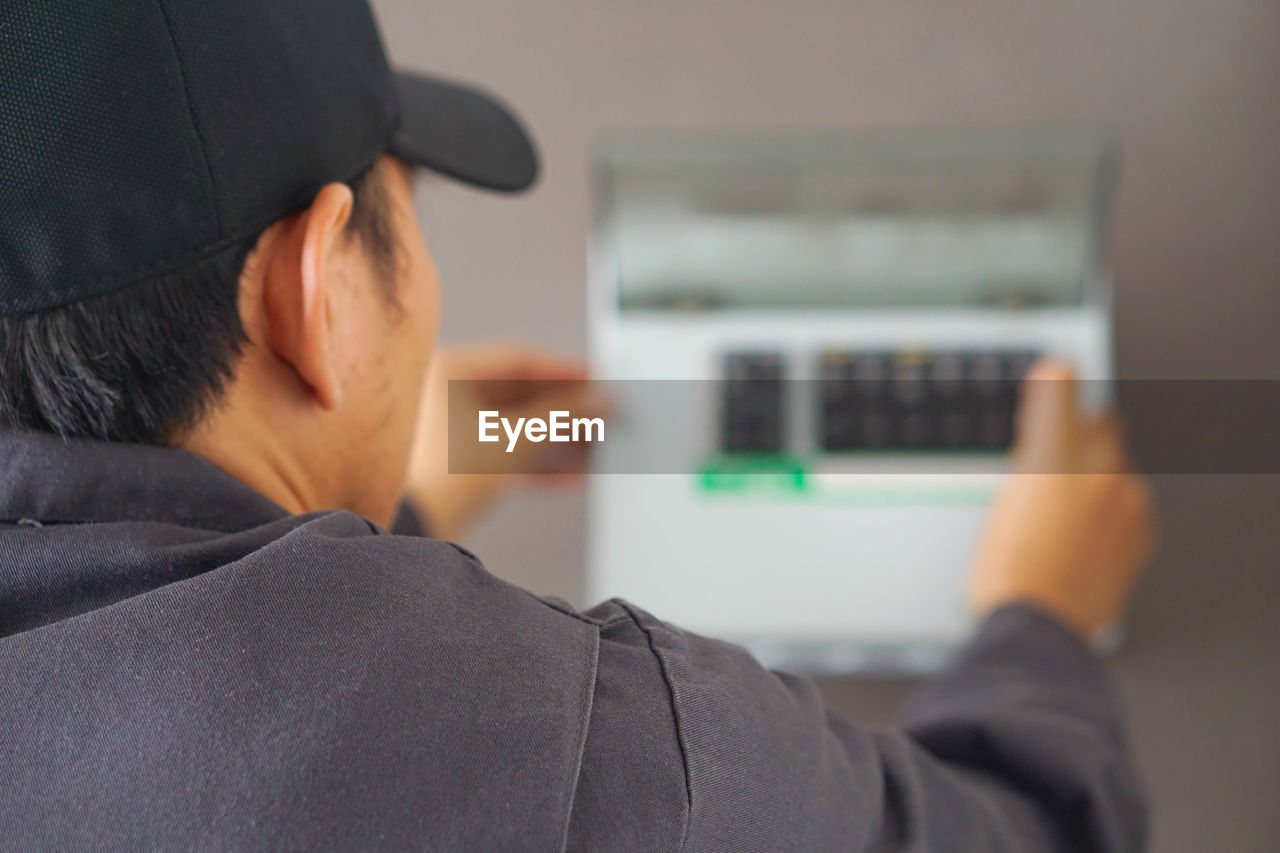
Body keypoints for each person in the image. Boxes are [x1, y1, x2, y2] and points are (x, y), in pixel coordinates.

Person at [0, 1, 1155, 850]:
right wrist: (1042, 621)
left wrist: (416, 463)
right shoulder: (575, 743)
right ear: (318, 296)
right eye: (408, 208)